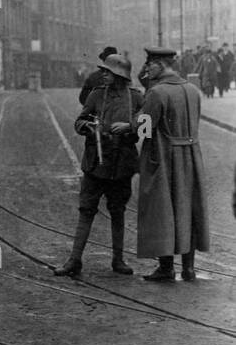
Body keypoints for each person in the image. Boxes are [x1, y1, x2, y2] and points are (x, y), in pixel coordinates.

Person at [55, 53, 142, 278]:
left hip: (121, 164)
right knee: (86, 211)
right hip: (95, 164)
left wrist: (129, 127)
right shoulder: (95, 95)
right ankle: (74, 260)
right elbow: (79, 121)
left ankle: (118, 259)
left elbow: (147, 127)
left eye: (107, 71)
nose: (102, 74)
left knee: (118, 212)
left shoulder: (136, 98)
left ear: (119, 75)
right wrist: (88, 127)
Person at [135, 46, 210, 282]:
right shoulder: (192, 90)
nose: (146, 68)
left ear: (159, 65)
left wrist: (134, 120)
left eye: (149, 64)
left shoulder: (156, 93)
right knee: (188, 209)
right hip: (191, 156)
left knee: (162, 209)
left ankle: (166, 268)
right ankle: (188, 268)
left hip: (164, 157)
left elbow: (144, 130)